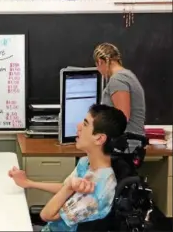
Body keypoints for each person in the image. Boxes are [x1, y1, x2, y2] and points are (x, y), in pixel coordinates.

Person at [9, 104, 127, 232]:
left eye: (86, 124)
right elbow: (65, 187)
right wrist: (29, 183)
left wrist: (70, 186)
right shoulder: (86, 162)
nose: (78, 127)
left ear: (99, 139)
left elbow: (47, 215)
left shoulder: (98, 189)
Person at [93, 42, 146, 136]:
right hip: (131, 142)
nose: (98, 70)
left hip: (126, 145)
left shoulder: (118, 80)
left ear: (100, 61)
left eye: (97, 65)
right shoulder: (127, 75)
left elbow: (122, 118)